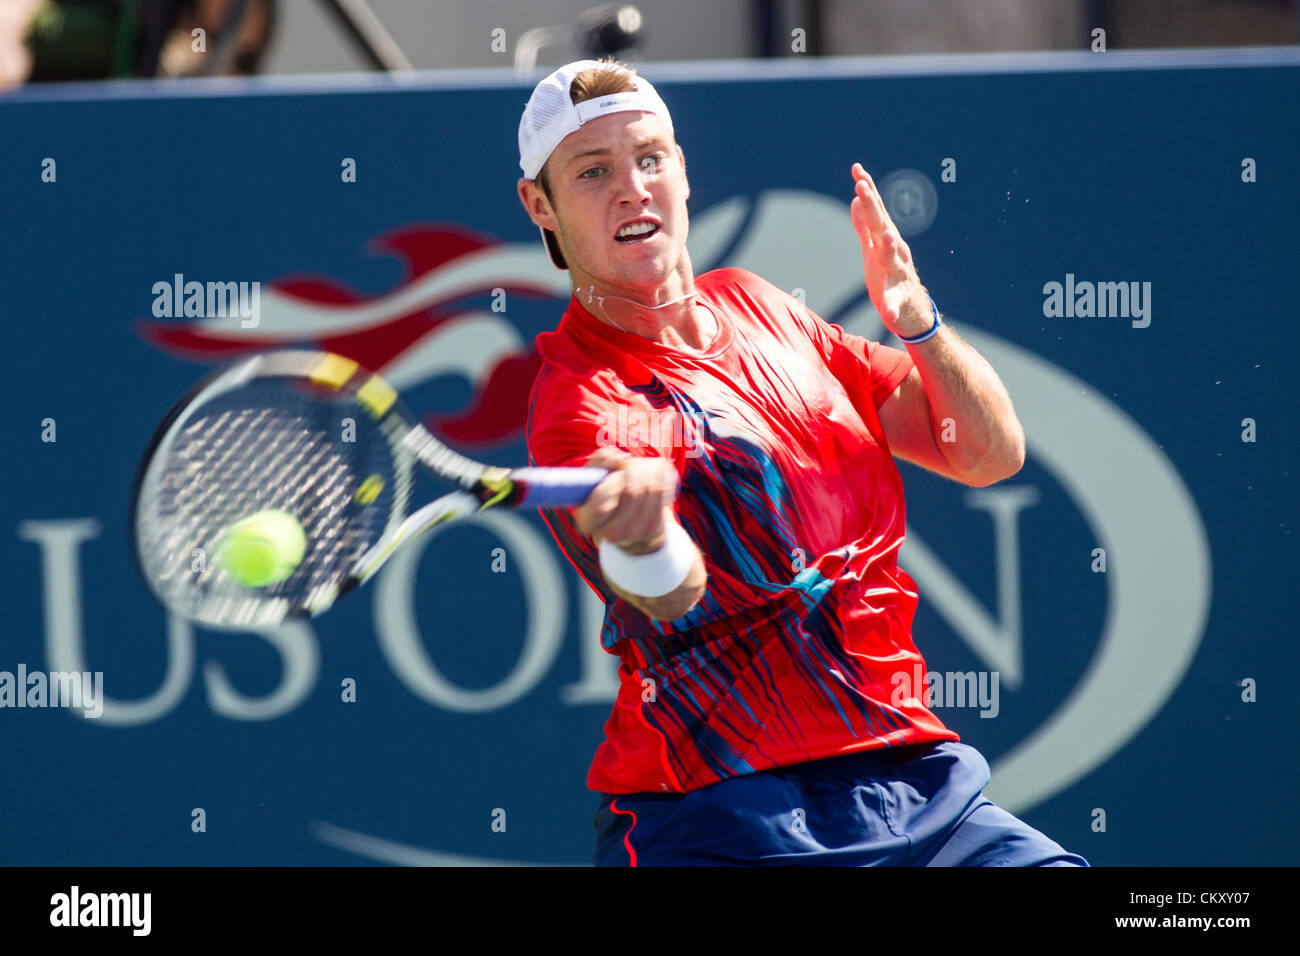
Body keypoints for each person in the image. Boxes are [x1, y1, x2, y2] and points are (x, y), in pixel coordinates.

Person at [518, 58, 1087, 867]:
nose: (632, 189)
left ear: (681, 169)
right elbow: (673, 596)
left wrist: (917, 321)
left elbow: (988, 454)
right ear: (539, 204)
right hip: (723, 814)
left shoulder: (763, 306)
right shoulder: (578, 400)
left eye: (650, 159)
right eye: (593, 172)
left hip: (917, 779)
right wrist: (645, 539)